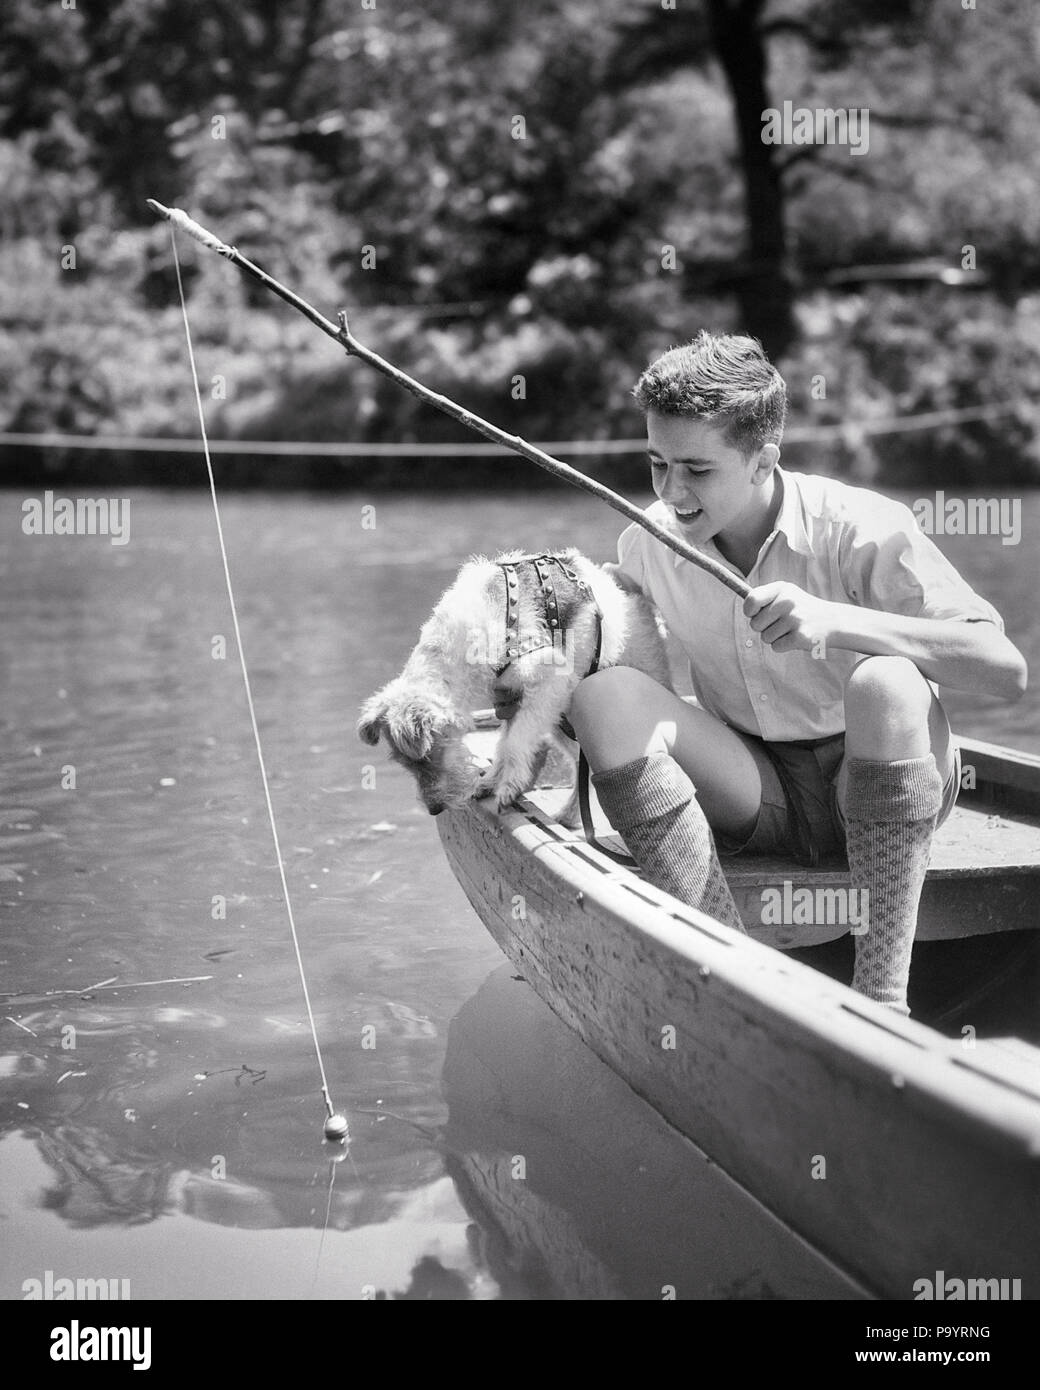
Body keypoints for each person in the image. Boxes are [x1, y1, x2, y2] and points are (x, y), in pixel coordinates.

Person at [535, 332, 1026, 1014]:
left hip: (882, 774)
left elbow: (1007, 672)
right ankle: (727, 977)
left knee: (884, 682)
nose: (672, 491)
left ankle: (882, 999)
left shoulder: (862, 527)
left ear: (764, 459)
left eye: (697, 471)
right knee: (603, 697)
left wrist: (836, 622)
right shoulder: (645, 543)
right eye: (656, 464)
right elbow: (631, 688)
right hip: (757, 792)